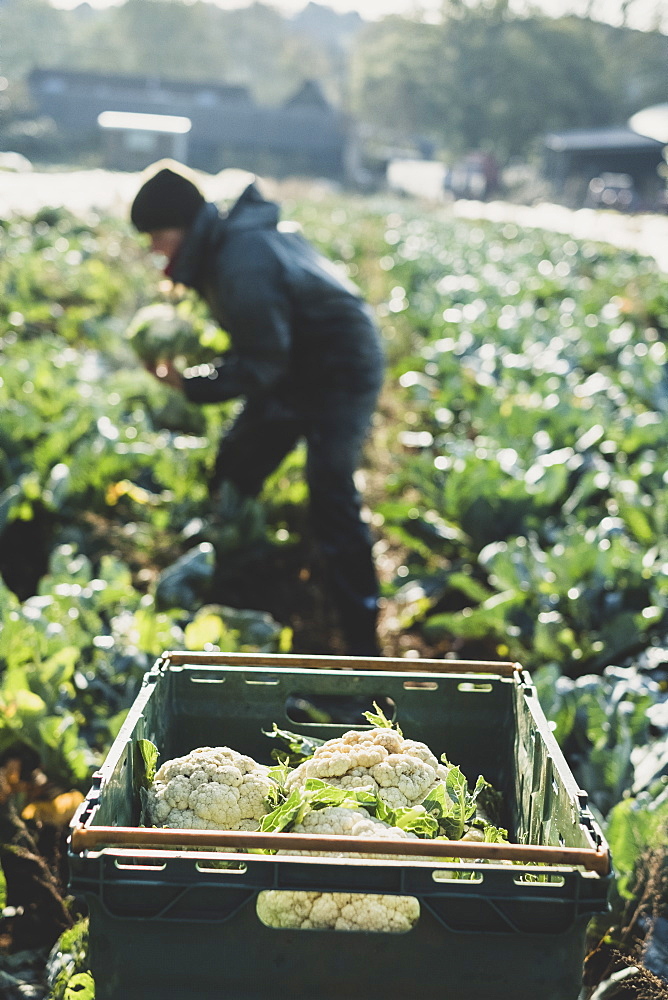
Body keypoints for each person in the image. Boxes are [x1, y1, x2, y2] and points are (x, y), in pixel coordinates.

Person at [130, 161, 385, 657]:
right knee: (238, 459)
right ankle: (234, 574)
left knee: (330, 491)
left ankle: (361, 635)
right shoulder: (228, 248)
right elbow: (267, 348)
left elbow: (264, 362)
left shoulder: (240, 260)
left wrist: (193, 385)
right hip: (298, 367)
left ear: (183, 226)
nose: (153, 249)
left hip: (341, 371)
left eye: (157, 235)